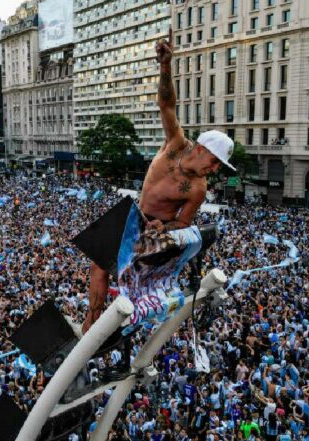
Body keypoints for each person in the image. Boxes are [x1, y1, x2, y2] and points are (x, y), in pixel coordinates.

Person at [82, 28, 236, 333]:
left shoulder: (199, 189)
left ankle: (114, 326)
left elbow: (183, 223)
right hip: (132, 215)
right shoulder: (175, 144)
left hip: (154, 232)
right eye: (215, 161)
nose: (215, 169)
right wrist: (165, 66)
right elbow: (167, 104)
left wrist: (164, 227)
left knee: (129, 281)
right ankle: (91, 323)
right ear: (202, 149)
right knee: (97, 266)